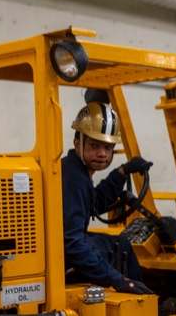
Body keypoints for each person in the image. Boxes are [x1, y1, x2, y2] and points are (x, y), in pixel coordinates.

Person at [62, 101, 153, 294]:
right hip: (61, 256)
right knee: (120, 247)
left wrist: (122, 172)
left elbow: (93, 203)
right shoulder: (73, 179)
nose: (102, 154)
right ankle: (141, 300)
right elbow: (72, 241)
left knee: (115, 243)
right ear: (78, 144)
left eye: (108, 147)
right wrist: (118, 280)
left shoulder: (75, 171)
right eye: (94, 145)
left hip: (60, 250)